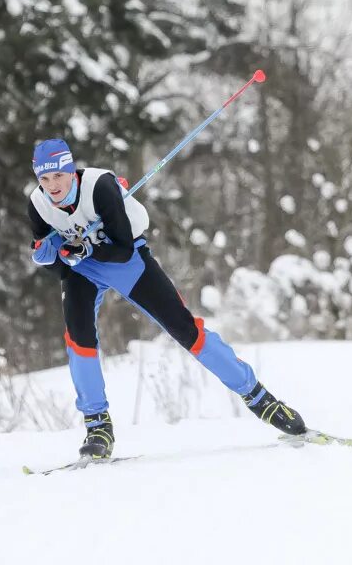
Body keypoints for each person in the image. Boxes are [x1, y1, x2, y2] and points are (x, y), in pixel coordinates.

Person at [27, 138, 307, 459]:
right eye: (44, 179)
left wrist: (81, 249)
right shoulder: (37, 204)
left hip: (126, 261)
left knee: (184, 328)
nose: (52, 186)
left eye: (58, 176)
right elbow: (57, 265)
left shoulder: (99, 187)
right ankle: (97, 423)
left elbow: (121, 249)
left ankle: (260, 398)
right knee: (78, 338)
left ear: (70, 171)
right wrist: (50, 258)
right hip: (83, 270)